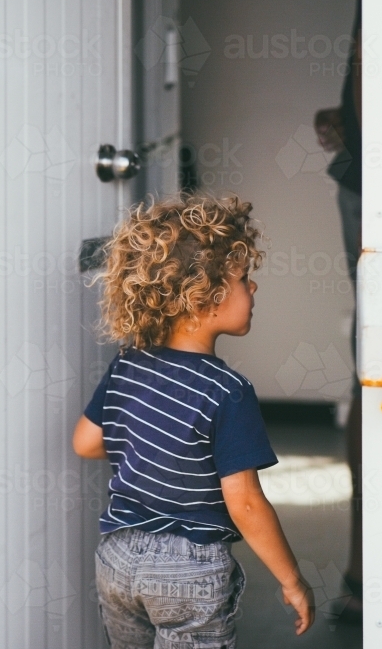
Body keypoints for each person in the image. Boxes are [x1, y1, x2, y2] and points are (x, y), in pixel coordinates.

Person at [72, 194, 315, 648]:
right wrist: (292, 579)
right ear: (201, 297)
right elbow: (244, 502)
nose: (254, 289)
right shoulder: (227, 390)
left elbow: (85, 442)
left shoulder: (129, 363)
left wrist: (150, 442)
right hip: (189, 568)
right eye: (244, 279)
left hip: (117, 555)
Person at [314, 0, 362, 623]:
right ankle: (360, 569)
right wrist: (345, 122)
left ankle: (361, 572)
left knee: (376, 375)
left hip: (376, 184)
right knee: (373, 375)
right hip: (364, 176)